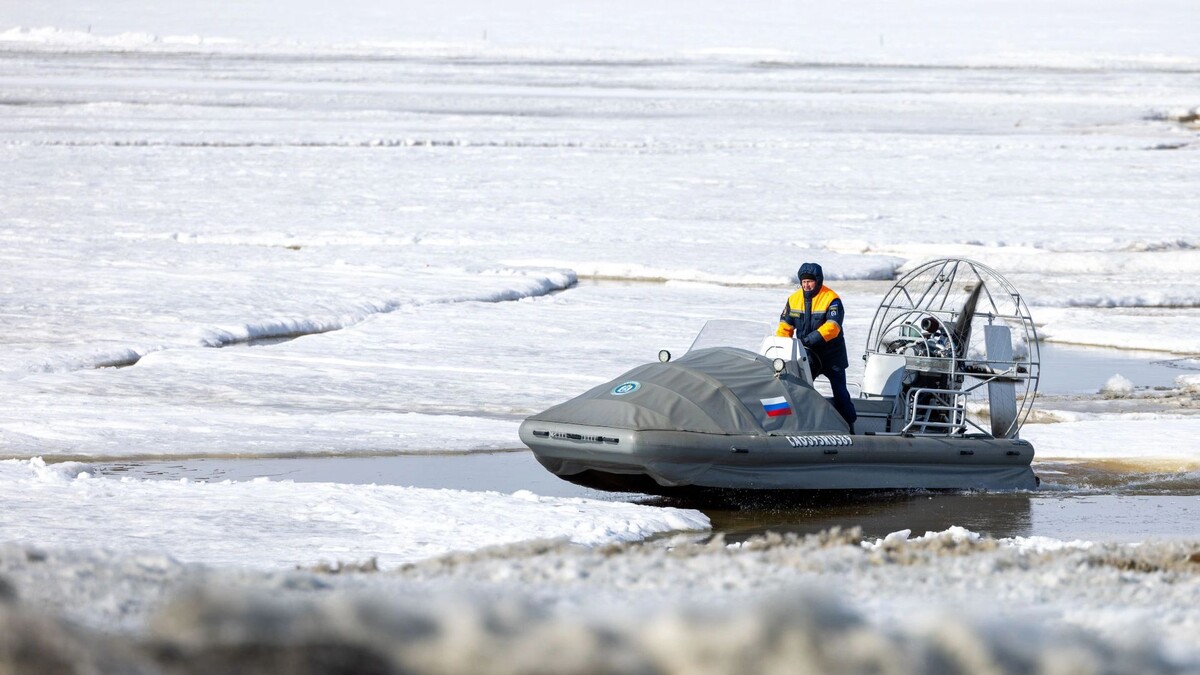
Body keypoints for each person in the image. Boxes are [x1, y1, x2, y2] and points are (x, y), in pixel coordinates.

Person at [776, 262, 857, 432]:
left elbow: (833, 327)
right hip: (807, 354)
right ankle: (799, 424)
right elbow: (785, 326)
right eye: (804, 281)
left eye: (810, 281)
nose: (806, 285)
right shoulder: (793, 299)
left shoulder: (831, 299)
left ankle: (850, 426)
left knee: (840, 392)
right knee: (798, 388)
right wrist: (780, 346)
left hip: (831, 355)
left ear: (818, 281)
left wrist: (809, 340)